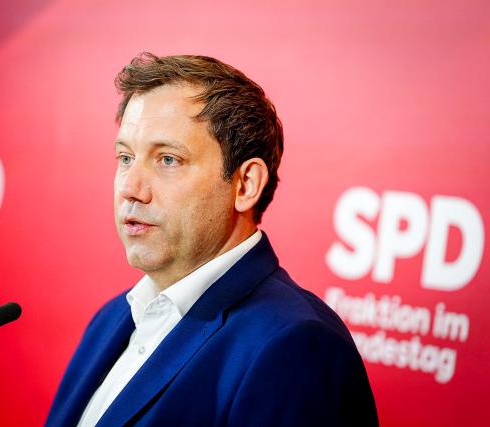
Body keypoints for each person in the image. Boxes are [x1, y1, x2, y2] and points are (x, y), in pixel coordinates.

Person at [46, 53, 378, 427]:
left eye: (167, 160)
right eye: (125, 157)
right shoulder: (112, 318)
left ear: (245, 184)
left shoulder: (297, 347)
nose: (130, 188)